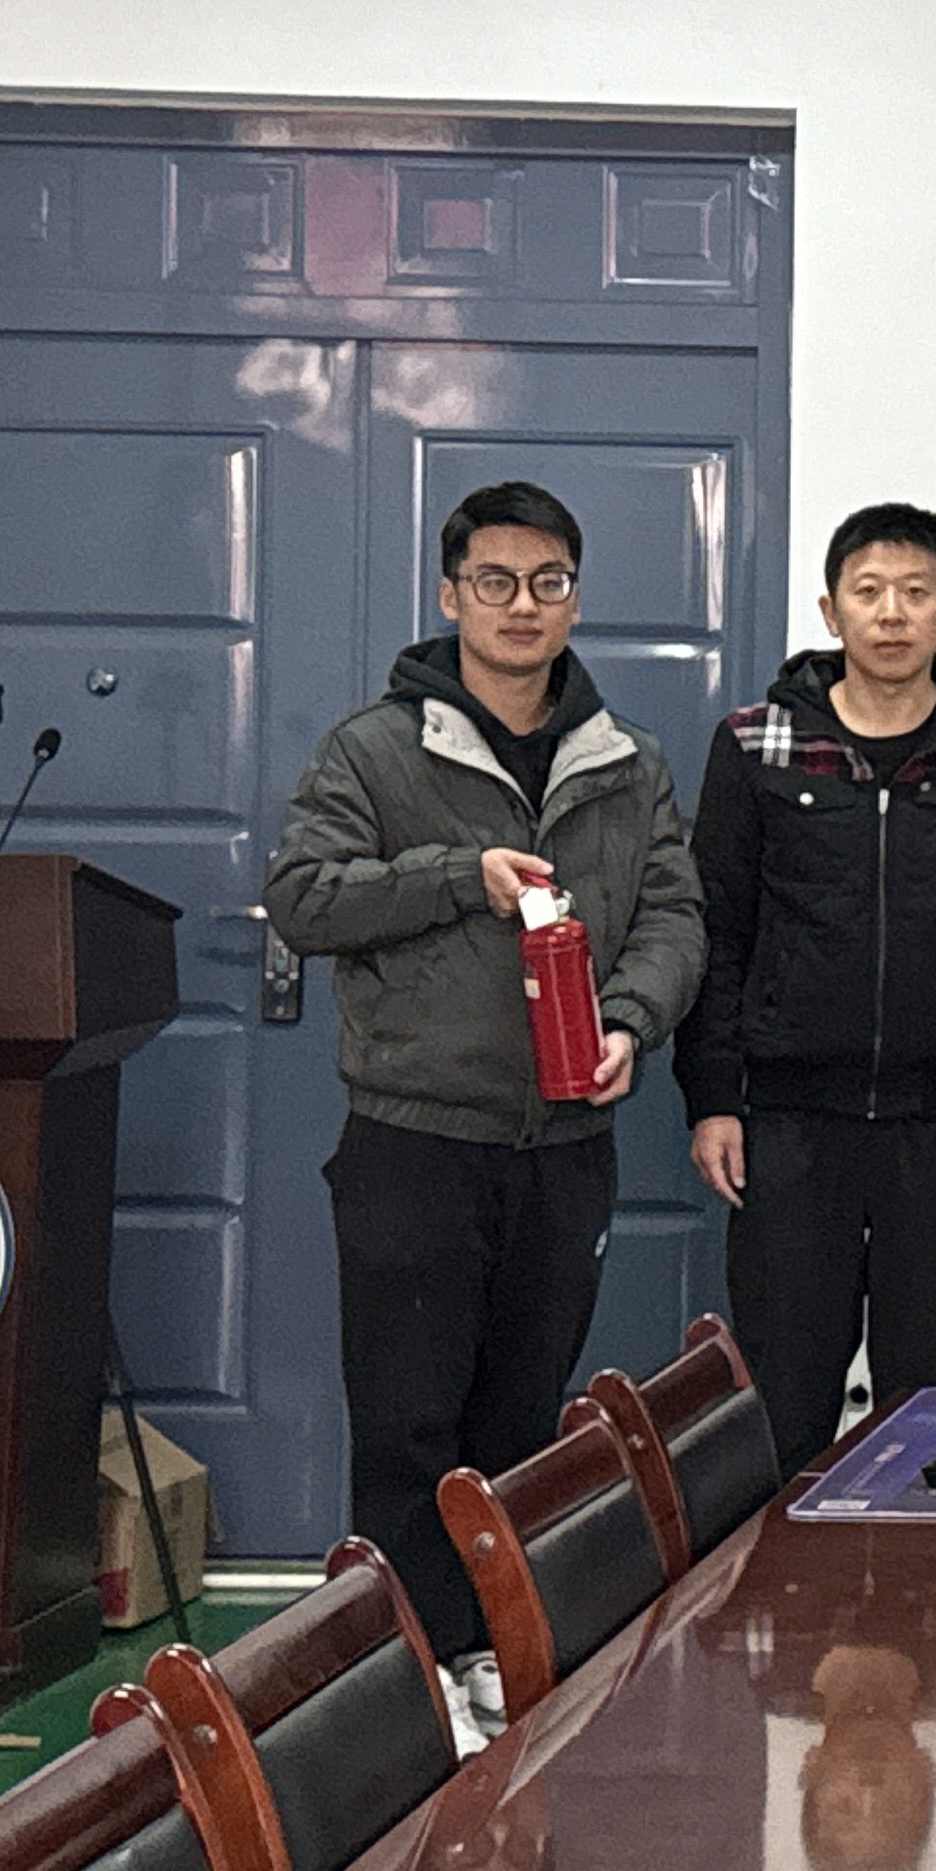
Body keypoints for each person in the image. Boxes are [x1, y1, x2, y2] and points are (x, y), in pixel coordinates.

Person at [266, 481, 705, 1697]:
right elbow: (303, 899)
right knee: (408, 1429)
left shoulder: (627, 762)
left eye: (548, 582)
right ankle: (407, 1682)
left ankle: (505, 1665)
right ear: (451, 595)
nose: (523, 605)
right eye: (496, 582)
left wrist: (632, 1019)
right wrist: (462, 876)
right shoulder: (374, 749)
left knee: (522, 1423)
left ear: (576, 599)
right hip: (413, 1142)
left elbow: (674, 916)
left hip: (565, 1145)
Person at [679, 504, 936, 1477]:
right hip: (788, 1123)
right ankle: (776, 1572)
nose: (892, 613)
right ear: (831, 610)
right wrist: (713, 1097)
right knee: (782, 1393)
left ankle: (911, 1568)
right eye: (869, 592)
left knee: (925, 1399)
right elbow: (716, 931)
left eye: (915, 592)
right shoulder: (756, 744)